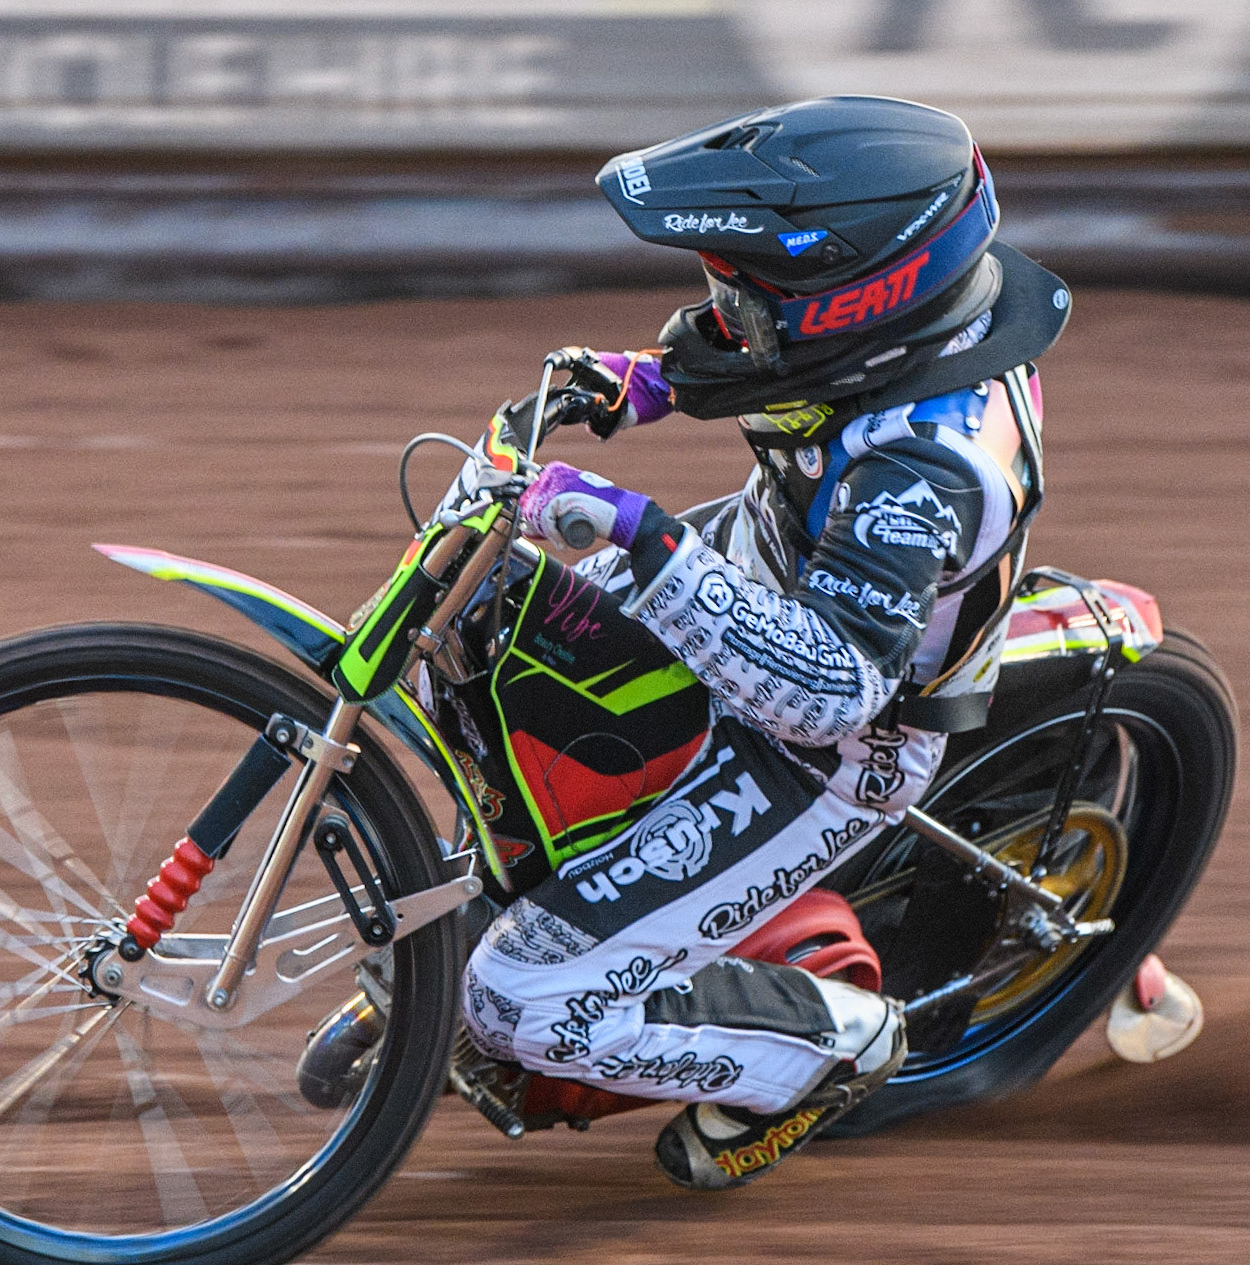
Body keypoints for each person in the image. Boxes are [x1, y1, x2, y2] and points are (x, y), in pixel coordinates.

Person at [456, 95, 1072, 1190]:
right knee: (488, 635)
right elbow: (766, 361)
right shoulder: (896, 334)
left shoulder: (928, 467)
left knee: (516, 999)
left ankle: (830, 1044)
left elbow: (828, 693)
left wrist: (641, 534)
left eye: (746, 294)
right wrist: (634, 380)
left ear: (859, 298)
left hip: (838, 742)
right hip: (756, 577)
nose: (725, 310)